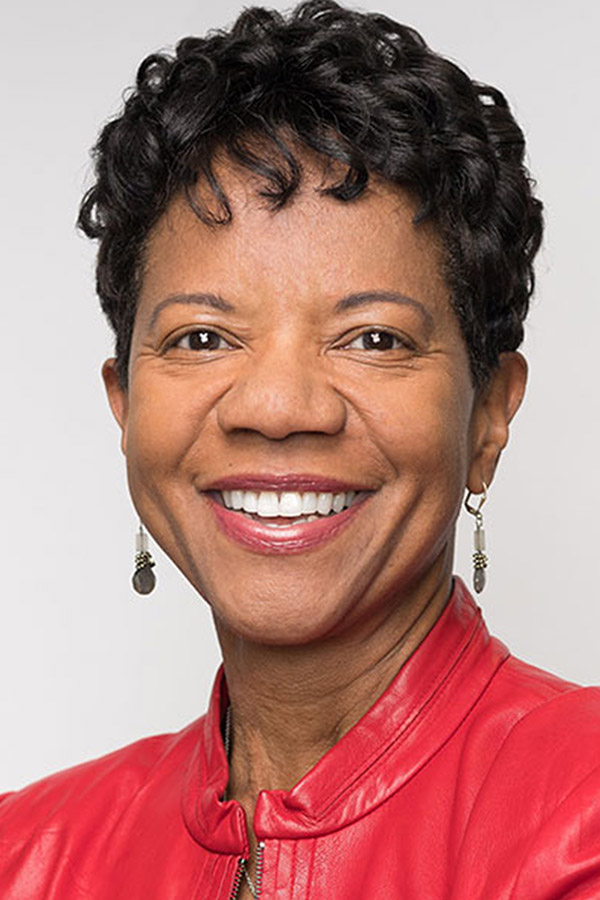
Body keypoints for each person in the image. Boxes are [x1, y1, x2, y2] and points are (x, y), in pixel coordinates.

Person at [1, 0, 599, 897]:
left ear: (489, 417)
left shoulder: (581, 817)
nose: (279, 408)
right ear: (125, 406)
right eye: (201, 338)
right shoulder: (26, 856)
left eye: (374, 340)